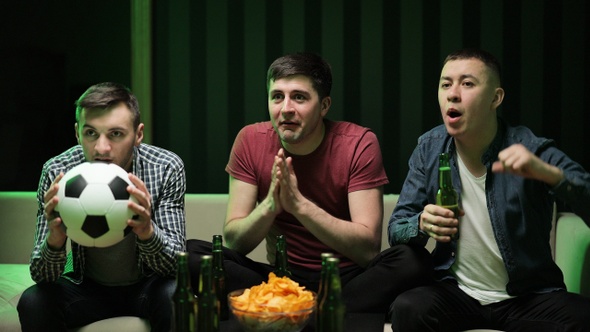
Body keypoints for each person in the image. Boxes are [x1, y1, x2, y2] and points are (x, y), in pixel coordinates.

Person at [187, 52, 432, 315]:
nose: (286, 109)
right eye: (277, 96)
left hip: (346, 280)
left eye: (299, 97)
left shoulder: (359, 143)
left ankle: (293, 312)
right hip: (279, 280)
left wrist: (300, 206)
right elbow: (235, 243)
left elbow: (367, 251)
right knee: (192, 254)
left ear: (324, 105)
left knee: (412, 260)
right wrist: (270, 205)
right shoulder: (250, 140)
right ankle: (320, 311)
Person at [388, 48, 590, 331]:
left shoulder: (530, 148)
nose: (453, 94)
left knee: (584, 317)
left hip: (527, 297)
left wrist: (549, 175)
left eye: (467, 83)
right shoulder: (429, 149)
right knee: (408, 308)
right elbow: (396, 228)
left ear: (495, 98)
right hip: (457, 293)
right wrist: (421, 223)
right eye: (446, 84)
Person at [17, 82, 187, 331]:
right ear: (77, 133)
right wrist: (54, 239)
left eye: (116, 134)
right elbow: (42, 276)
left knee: (175, 296)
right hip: (86, 288)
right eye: (91, 133)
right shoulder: (58, 172)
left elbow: (175, 267)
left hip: (146, 286)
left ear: (138, 134)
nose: (101, 149)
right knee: (34, 301)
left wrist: (147, 232)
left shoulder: (165, 167)